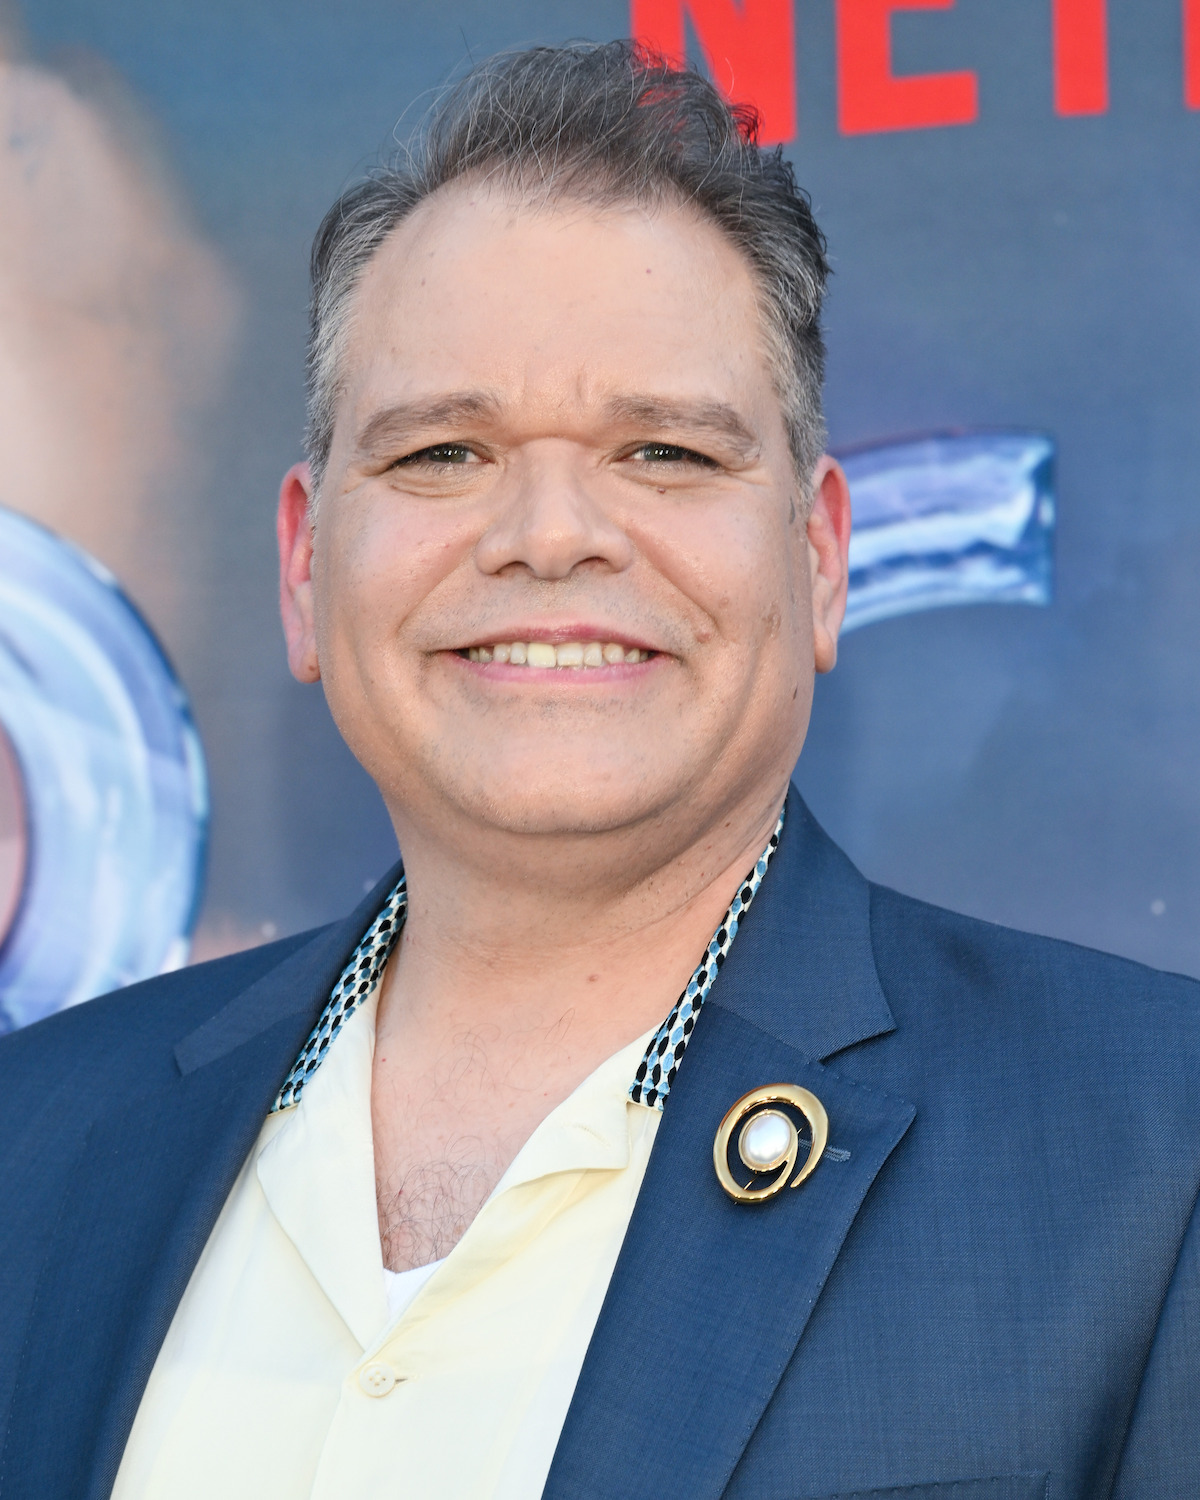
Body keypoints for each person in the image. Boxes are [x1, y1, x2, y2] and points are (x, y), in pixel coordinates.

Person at [1, 41, 1197, 1500]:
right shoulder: (39, 1141)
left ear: (820, 561)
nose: (551, 532)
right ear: (307, 565)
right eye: (444, 452)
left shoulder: (1149, 1149)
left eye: (665, 455)